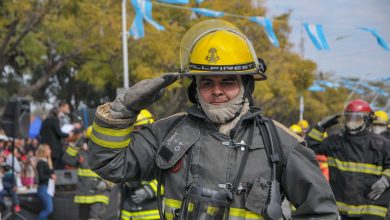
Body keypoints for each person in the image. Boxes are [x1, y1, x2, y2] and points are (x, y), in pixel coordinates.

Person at [89, 19, 338, 220]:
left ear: (246, 85)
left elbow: (321, 212)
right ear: (195, 89)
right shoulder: (169, 132)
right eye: (207, 82)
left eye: (227, 82)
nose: (216, 91)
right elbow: (109, 164)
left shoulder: (280, 143)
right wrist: (121, 112)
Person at [306, 99, 390, 219]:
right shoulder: (334, 142)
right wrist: (320, 127)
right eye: (349, 118)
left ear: (367, 120)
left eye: (357, 119)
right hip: (342, 210)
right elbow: (307, 149)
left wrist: (386, 180)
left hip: (372, 208)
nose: (352, 122)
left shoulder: (382, 144)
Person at [62, 127, 111, 220]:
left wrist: (106, 183)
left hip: (99, 193)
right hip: (83, 194)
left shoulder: (107, 152)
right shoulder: (81, 152)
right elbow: (67, 159)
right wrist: (78, 143)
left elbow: (114, 171)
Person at [120, 110, 161, 220]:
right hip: (128, 211)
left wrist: (149, 190)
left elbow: (172, 178)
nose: (137, 132)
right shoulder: (126, 149)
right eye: (134, 129)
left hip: (151, 212)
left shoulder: (162, 149)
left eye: (141, 128)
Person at [36, 144, 55, 220]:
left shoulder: (47, 162)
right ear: (44, 151)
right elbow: (41, 177)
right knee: (48, 209)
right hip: (43, 188)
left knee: (47, 209)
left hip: (48, 188)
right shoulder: (41, 163)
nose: (50, 151)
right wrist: (51, 176)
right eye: (48, 149)